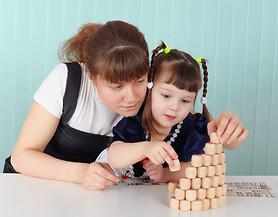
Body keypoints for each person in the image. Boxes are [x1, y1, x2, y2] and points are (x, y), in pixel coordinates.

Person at [4, 20, 248, 191]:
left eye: (139, 81)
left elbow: (196, 123)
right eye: (116, 87)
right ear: (92, 77)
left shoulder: (153, 95)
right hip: (35, 188)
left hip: (95, 197)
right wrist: (81, 173)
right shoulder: (67, 81)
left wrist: (228, 129)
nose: (131, 97)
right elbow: (22, 158)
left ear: (149, 75)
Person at [98, 42, 245, 183]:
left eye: (185, 101)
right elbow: (114, 155)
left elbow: (196, 167)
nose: (174, 107)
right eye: (166, 96)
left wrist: (165, 175)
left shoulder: (191, 127)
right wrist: (145, 148)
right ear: (150, 87)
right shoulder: (137, 119)